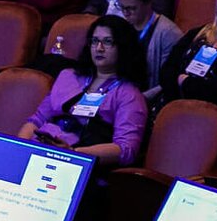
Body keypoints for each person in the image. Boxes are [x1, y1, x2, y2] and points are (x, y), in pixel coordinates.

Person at [21, 14, 152, 169]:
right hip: (38, 153)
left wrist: (73, 154)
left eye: (108, 42)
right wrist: (21, 148)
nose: (99, 48)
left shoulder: (129, 95)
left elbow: (126, 150)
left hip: (80, 166)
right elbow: (36, 120)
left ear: (123, 47)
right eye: (95, 41)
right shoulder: (68, 76)